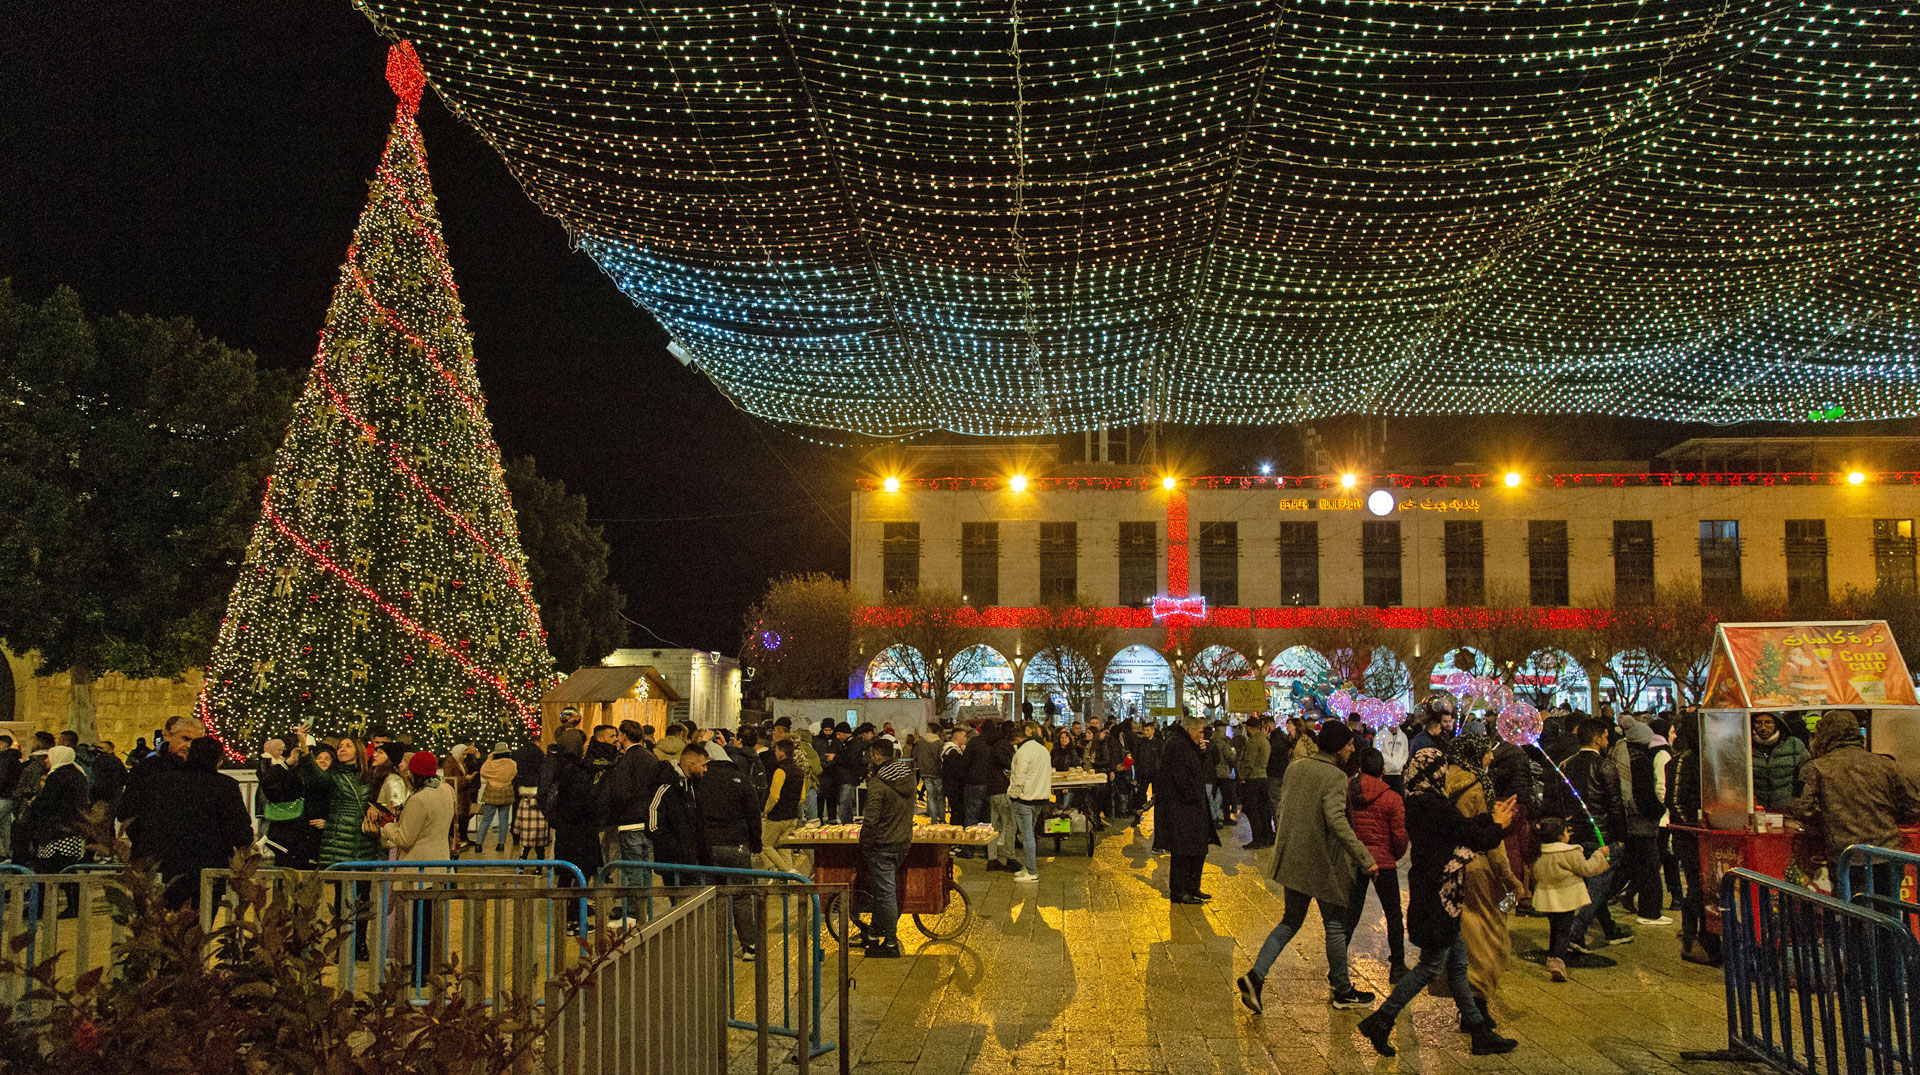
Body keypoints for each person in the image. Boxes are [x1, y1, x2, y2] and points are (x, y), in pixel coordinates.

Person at [1355, 748, 1519, 1058]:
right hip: (1440, 897)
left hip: (1439, 893)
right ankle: (1382, 1019)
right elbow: (1473, 837)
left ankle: (1478, 1030)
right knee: (1430, 966)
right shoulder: (1435, 806)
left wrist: (1490, 818)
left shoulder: (1419, 802)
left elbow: (1459, 828)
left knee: (1457, 966)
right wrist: (1498, 825)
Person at [1235, 719, 1374, 1014]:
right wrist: (1364, 857)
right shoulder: (1335, 776)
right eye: (1349, 744)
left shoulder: (1296, 767)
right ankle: (1343, 989)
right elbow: (1336, 821)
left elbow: (1283, 809)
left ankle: (1255, 977)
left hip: (1294, 859)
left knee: (1290, 922)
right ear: (1338, 747)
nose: (1352, 749)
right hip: (1321, 862)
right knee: (1335, 924)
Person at [1789, 710, 1920, 898]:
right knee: (1888, 914)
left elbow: (1799, 808)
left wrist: (1827, 820)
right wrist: (1888, 817)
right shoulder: (1886, 764)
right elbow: (1914, 807)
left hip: (1846, 857)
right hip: (1888, 855)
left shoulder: (1815, 767)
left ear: (1824, 735)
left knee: (1852, 915)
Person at [1446, 734, 1525, 1022]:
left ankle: (1470, 1007)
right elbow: (1491, 837)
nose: (1491, 758)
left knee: (1465, 935)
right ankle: (1476, 1009)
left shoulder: (1446, 779)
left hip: (1452, 867)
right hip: (1478, 869)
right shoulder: (1479, 785)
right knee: (1487, 936)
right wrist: (1510, 879)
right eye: (1486, 753)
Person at [1553, 718, 1634, 948]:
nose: (1608, 741)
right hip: (1601, 835)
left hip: (1576, 833)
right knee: (1599, 882)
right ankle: (1576, 932)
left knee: (1597, 883)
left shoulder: (1567, 765)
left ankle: (1609, 928)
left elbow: (1562, 801)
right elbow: (1615, 803)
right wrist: (1620, 837)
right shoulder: (1604, 766)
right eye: (1606, 737)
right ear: (1597, 738)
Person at [1347, 746, 1408, 981]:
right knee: (1393, 914)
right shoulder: (1392, 798)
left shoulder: (1348, 791)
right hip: (1384, 863)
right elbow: (1400, 837)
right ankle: (1398, 965)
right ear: (1383, 771)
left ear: (1361, 769)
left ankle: (1339, 964)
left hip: (1357, 860)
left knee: (1350, 915)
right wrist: (1393, 855)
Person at [698, 741, 763, 957]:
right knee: (741, 896)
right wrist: (756, 842)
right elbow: (754, 814)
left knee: (710, 896)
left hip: (707, 845)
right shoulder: (741, 780)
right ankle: (749, 946)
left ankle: (712, 947)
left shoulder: (700, 781)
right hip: (736, 844)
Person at [1529, 816, 1611, 982]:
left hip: (1548, 899)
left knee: (1554, 929)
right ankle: (1558, 961)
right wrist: (1599, 855)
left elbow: (1535, 874)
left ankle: (1552, 956)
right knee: (1564, 931)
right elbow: (1587, 868)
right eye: (1566, 831)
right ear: (1560, 836)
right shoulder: (1570, 852)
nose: (1569, 834)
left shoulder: (1541, 854)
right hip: (1566, 898)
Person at [859, 738, 916, 958]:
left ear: (876, 756)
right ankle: (873, 935)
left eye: (870, 755)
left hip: (883, 844)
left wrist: (865, 844)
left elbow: (871, 820)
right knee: (883, 891)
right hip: (902, 842)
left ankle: (891, 943)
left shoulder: (879, 783)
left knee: (885, 894)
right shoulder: (907, 776)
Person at [1155, 714, 1218, 906]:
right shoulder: (1177, 745)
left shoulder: (1188, 745)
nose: (1202, 735)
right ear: (1190, 729)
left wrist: (1202, 754)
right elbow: (1181, 778)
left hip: (1193, 807)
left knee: (1197, 849)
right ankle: (1180, 891)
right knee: (1183, 851)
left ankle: (1192, 886)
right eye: (1200, 731)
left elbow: (1200, 769)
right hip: (1182, 809)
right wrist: (1191, 796)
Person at [546, 729, 604, 936]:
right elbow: (585, 804)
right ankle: (573, 920)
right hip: (579, 834)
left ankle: (566, 919)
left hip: (567, 833)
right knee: (579, 878)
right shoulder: (575, 772)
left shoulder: (560, 768)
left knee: (566, 877)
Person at [19, 745, 91, 912]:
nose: (46, 760)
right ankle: (72, 906)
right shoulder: (78, 774)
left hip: (55, 832)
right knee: (67, 870)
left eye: (49, 757)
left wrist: (34, 803)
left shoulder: (57, 776)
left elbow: (48, 803)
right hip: (71, 831)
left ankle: (40, 907)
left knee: (47, 869)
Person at [1618, 719, 1672, 925]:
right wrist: (1658, 810)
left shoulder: (1623, 755)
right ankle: (1650, 912)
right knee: (1649, 868)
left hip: (1630, 821)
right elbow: (1645, 795)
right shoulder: (1640, 760)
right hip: (1641, 822)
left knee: (1629, 866)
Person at [604, 720, 661, 888]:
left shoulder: (625, 761)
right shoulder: (651, 757)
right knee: (645, 870)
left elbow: (621, 793)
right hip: (648, 820)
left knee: (633, 871)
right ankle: (646, 909)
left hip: (630, 822)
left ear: (624, 735)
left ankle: (634, 911)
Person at [650, 740, 711, 889]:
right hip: (674, 862)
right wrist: (673, 848)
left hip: (691, 859)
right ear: (691, 764)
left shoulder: (694, 787)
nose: (706, 769)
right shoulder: (667, 786)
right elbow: (653, 820)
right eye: (703, 765)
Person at [260, 737, 318, 869]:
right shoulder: (286, 772)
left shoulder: (320, 775)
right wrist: (289, 762)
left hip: (311, 838)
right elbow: (268, 783)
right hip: (286, 834)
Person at [1007, 721, 1052, 884]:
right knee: (1030, 834)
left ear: (1018, 739)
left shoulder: (1023, 752)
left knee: (1027, 836)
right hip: (1041, 798)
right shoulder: (1043, 750)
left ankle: (1032, 871)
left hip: (1025, 799)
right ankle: (1029, 866)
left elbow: (1019, 777)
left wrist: (1013, 794)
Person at [761, 739, 805, 876]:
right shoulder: (799, 771)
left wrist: (766, 810)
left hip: (777, 816)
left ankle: (784, 871)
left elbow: (774, 796)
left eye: (776, 751)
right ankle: (790, 880)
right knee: (784, 848)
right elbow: (802, 796)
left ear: (781, 752)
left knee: (765, 845)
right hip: (792, 817)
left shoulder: (780, 770)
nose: (775, 753)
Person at [1750, 712, 1809, 811]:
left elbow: (1806, 777)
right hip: (1755, 809)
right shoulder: (1746, 745)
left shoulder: (1794, 745)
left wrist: (1796, 803)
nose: (1763, 727)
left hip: (1787, 810)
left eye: (1768, 722)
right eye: (1758, 723)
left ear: (1777, 723)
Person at [510, 735, 552, 860]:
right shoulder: (538, 753)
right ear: (537, 742)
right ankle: (539, 841)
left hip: (520, 784)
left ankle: (517, 836)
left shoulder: (519, 752)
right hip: (534, 785)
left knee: (518, 809)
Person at [475, 742, 518, 854]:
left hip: (492, 792)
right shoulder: (512, 763)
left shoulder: (491, 764)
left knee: (486, 819)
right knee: (503, 820)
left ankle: (478, 844)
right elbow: (514, 773)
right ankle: (501, 844)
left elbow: (482, 771)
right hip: (506, 791)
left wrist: (489, 759)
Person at [1238, 716, 1274, 850]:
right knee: (1263, 810)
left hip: (1253, 779)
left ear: (1249, 728)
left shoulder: (1253, 742)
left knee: (1253, 810)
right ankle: (1267, 836)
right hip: (1263, 778)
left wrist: (1242, 777)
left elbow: (1249, 762)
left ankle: (1257, 838)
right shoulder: (1264, 740)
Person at [1130, 720, 1161, 826]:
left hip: (1156, 774)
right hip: (1143, 773)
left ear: (1153, 731)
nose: (1146, 732)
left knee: (1157, 796)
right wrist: (1137, 776)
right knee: (1140, 795)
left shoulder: (1158, 744)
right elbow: (1137, 759)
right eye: (1145, 730)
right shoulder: (1141, 743)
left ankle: (1159, 818)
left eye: (1148, 730)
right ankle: (1138, 816)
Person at [913, 728, 944, 821]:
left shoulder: (921, 742)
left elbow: (915, 755)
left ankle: (933, 819)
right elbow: (942, 757)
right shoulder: (939, 743)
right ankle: (942, 818)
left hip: (925, 772)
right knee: (940, 796)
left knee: (930, 796)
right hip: (937, 772)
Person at [941, 728, 969, 826]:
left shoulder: (950, 750)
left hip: (951, 787)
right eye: (964, 736)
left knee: (955, 811)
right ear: (958, 737)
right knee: (957, 812)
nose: (965, 738)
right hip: (955, 788)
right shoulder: (953, 752)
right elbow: (958, 771)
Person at [1376, 716, 1410, 796]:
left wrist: (1400, 763)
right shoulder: (1379, 736)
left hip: (1398, 775)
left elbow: (1405, 752)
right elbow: (1378, 753)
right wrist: (1391, 763)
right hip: (1385, 774)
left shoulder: (1403, 736)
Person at [0, 734, 19, 861]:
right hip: (10, 796)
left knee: (5, 825)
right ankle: (6, 854)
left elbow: (2, 778)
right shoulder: (14, 758)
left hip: (3, 795)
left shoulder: (4, 758)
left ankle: (3, 854)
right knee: (5, 825)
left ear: (3, 745)